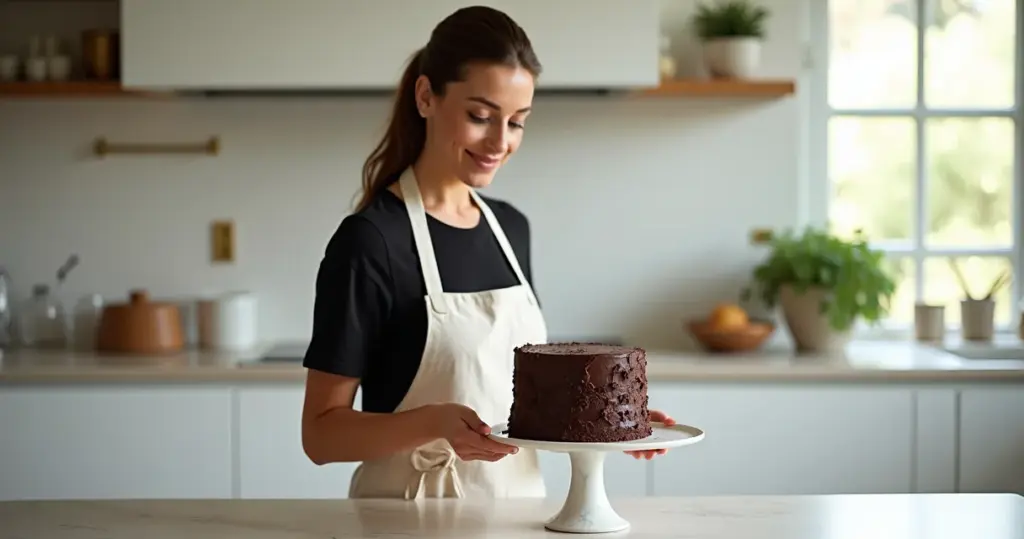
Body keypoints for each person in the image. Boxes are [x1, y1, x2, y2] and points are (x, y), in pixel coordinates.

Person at [300, 5, 675, 500]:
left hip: (520, 513)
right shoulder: (371, 242)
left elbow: (517, 401)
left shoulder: (511, 228)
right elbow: (321, 435)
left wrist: (611, 420)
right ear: (425, 96)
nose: (500, 141)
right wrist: (432, 424)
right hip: (409, 518)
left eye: (517, 122)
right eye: (480, 116)